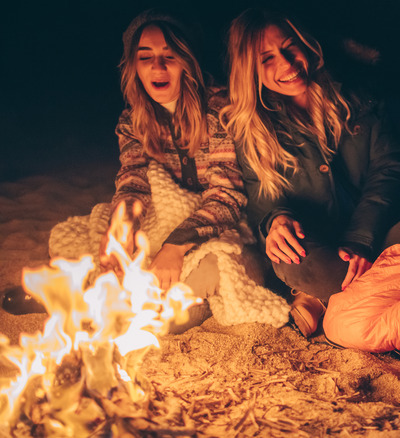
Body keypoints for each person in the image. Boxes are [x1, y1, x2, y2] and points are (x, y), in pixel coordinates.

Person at [220, 8, 400, 337]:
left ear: (306, 43)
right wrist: (276, 219)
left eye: (289, 46)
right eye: (266, 58)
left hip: (384, 226)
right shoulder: (253, 125)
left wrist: (361, 241)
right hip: (324, 243)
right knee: (290, 260)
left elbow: (389, 168)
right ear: (249, 69)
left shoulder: (359, 94)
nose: (286, 64)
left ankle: (331, 298)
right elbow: (261, 196)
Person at [3, 9, 249, 332]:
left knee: (204, 280)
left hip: (223, 224)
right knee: (103, 240)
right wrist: (122, 231)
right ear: (133, 65)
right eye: (145, 57)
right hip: (168, 217)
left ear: (187, 61)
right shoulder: (134, 120)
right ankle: (70, 294)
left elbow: (227, 194)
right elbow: (133, 181)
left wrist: (176, 246)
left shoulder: (220, 110)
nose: (156, 67)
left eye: (169, 56)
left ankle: (136, 309)